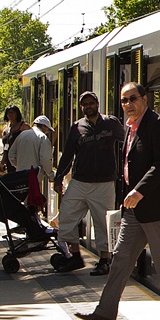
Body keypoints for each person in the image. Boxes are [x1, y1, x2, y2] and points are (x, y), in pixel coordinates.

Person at [76, 82, 160, 320]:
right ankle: (106, 310)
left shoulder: (158, 124)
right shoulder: (129, 127)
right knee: (120, 258)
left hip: (154, 207)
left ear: (144, 99)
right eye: (124, 100)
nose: (128, 104)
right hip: (134, 209)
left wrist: (139, 191)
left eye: (132, 99)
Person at [53, 91, 125, 274]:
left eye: (91, 103)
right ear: (81, 107)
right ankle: (75, 257)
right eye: (84, 104)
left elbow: (128, 142)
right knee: (66, 218)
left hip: (105, 182)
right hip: (80, 182)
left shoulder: (111, 123)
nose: (88, 106)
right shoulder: (77, 127)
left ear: (97, 104)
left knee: (103, 224)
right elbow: (68, 155)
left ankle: (104, 261)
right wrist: (59, 177)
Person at [8, 112, 56, 219]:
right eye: (47, 129)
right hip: (34, 177)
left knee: (25, 201)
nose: (47, 132)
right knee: (32, 202)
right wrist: (51, 175)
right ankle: (31, 227)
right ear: (43, 126)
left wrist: (20, 166)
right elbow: (45, 159)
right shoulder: (42, 138)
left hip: (20, 175)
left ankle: (26, 224)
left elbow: (11, 155)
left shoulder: (22, 135)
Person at [0, 104, 25, 172]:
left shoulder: (23, 127)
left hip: (19, 160)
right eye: (8, 113)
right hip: (9, 161)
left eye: (13, 113)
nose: (10, 115)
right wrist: (2, 162)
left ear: (17, 114)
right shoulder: (6, 128)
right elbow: (5, 147)